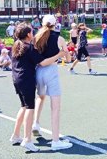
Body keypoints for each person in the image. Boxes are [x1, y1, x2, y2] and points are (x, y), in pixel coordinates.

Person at [9, 22, 65, 152]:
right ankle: (27, 139)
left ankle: (15, 135)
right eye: (32, 32)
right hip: (26, 80)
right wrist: (59, 55)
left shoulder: (17, 45)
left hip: (16, 79)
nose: (33, 34)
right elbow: (44, 63)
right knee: (30, 108)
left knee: (23, 106)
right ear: (28, 34)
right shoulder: (29, 48)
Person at [32, 14, 73, 151]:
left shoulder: (36, 37)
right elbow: (67, 59)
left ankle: (36, 124)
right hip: (51, 71)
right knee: (55, 108)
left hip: (38, 70)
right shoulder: (59, 38)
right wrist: (67, 52)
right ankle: (55, 141)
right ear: (55, 24)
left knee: (40, 97)